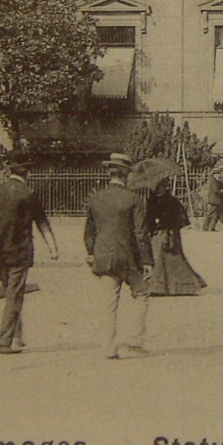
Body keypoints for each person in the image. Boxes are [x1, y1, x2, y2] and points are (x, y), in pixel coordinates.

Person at [0, 162, 60, 355]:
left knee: (11, 293)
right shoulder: (28, 194)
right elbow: (42, 223)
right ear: (28, 173)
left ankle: (17, 336)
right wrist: (53, 249)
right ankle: (3, 342)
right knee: (14, 296)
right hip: (20, 252)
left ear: (9, 171)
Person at [85, 153, 154, 359]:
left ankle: (108, 348)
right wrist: (148, 260)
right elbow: (140, 233)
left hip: (104, 257)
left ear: (109, 173)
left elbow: (89, 231)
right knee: (141, 295)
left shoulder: (96, 198)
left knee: (109, 304)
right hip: (130, 258)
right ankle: (134, 341)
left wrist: (91, 252)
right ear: (126, 175)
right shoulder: (134, 199)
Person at [142, 164, 206, 296]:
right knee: (160, 259)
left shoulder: (171, 201)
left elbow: (179, 218)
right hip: (158, 233)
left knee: (170, 259)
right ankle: (161, 287)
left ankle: (177, 286)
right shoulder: (152, 200)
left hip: (168, 233)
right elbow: (149, 218)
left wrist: (167, 225)